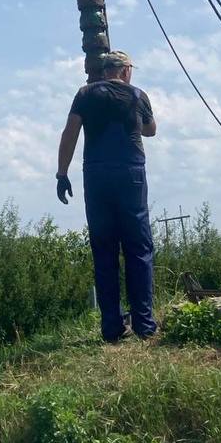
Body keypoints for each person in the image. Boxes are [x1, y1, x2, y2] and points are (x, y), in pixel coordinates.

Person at [55, 50, 158, 342]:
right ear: (125, 71)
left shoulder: (85, 94)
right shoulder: (137, 96)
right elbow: (151, 130)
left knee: (104, 250)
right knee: (138, 249)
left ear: (104, 71)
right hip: (130, 174)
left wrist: (62, 173)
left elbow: (70, 132)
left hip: (97, 175)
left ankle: (112, 328)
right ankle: (144, 325)